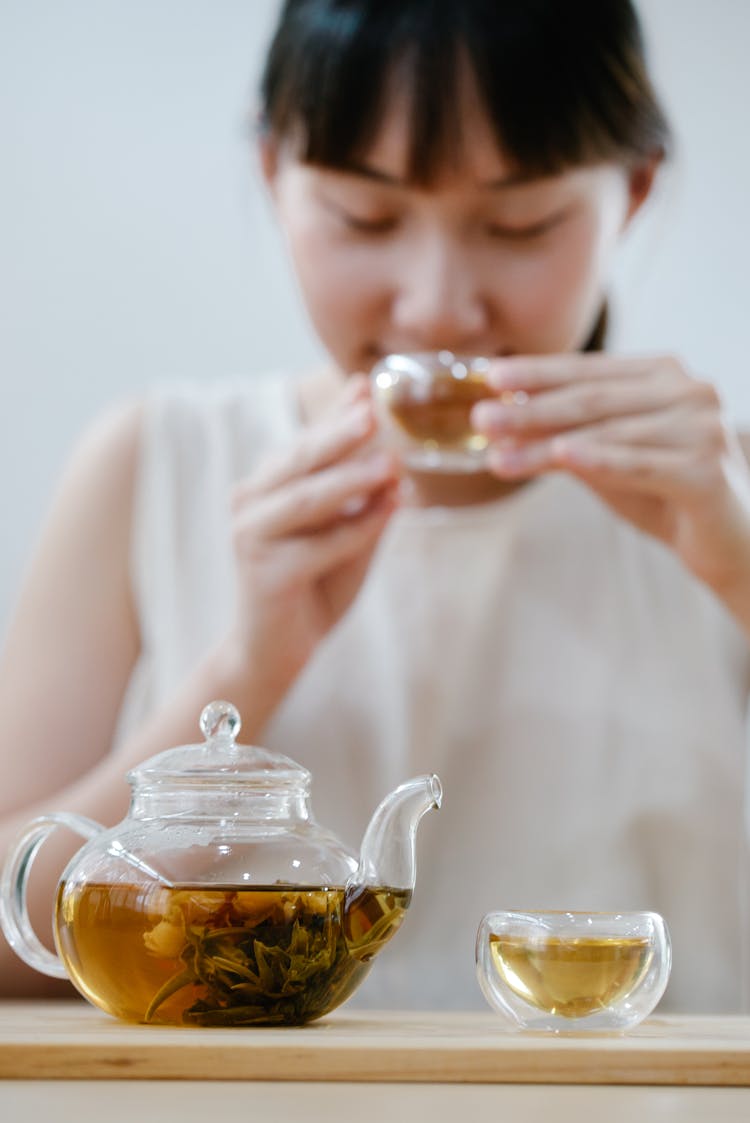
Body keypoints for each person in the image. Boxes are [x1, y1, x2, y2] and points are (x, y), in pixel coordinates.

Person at [1, 0, 749, 1012]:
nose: (438, 304)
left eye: (519, 223)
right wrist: (244, 669)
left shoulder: (725, 493)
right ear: (276, 176)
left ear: (637, 188)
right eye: (366, 216)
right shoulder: (155, 463)